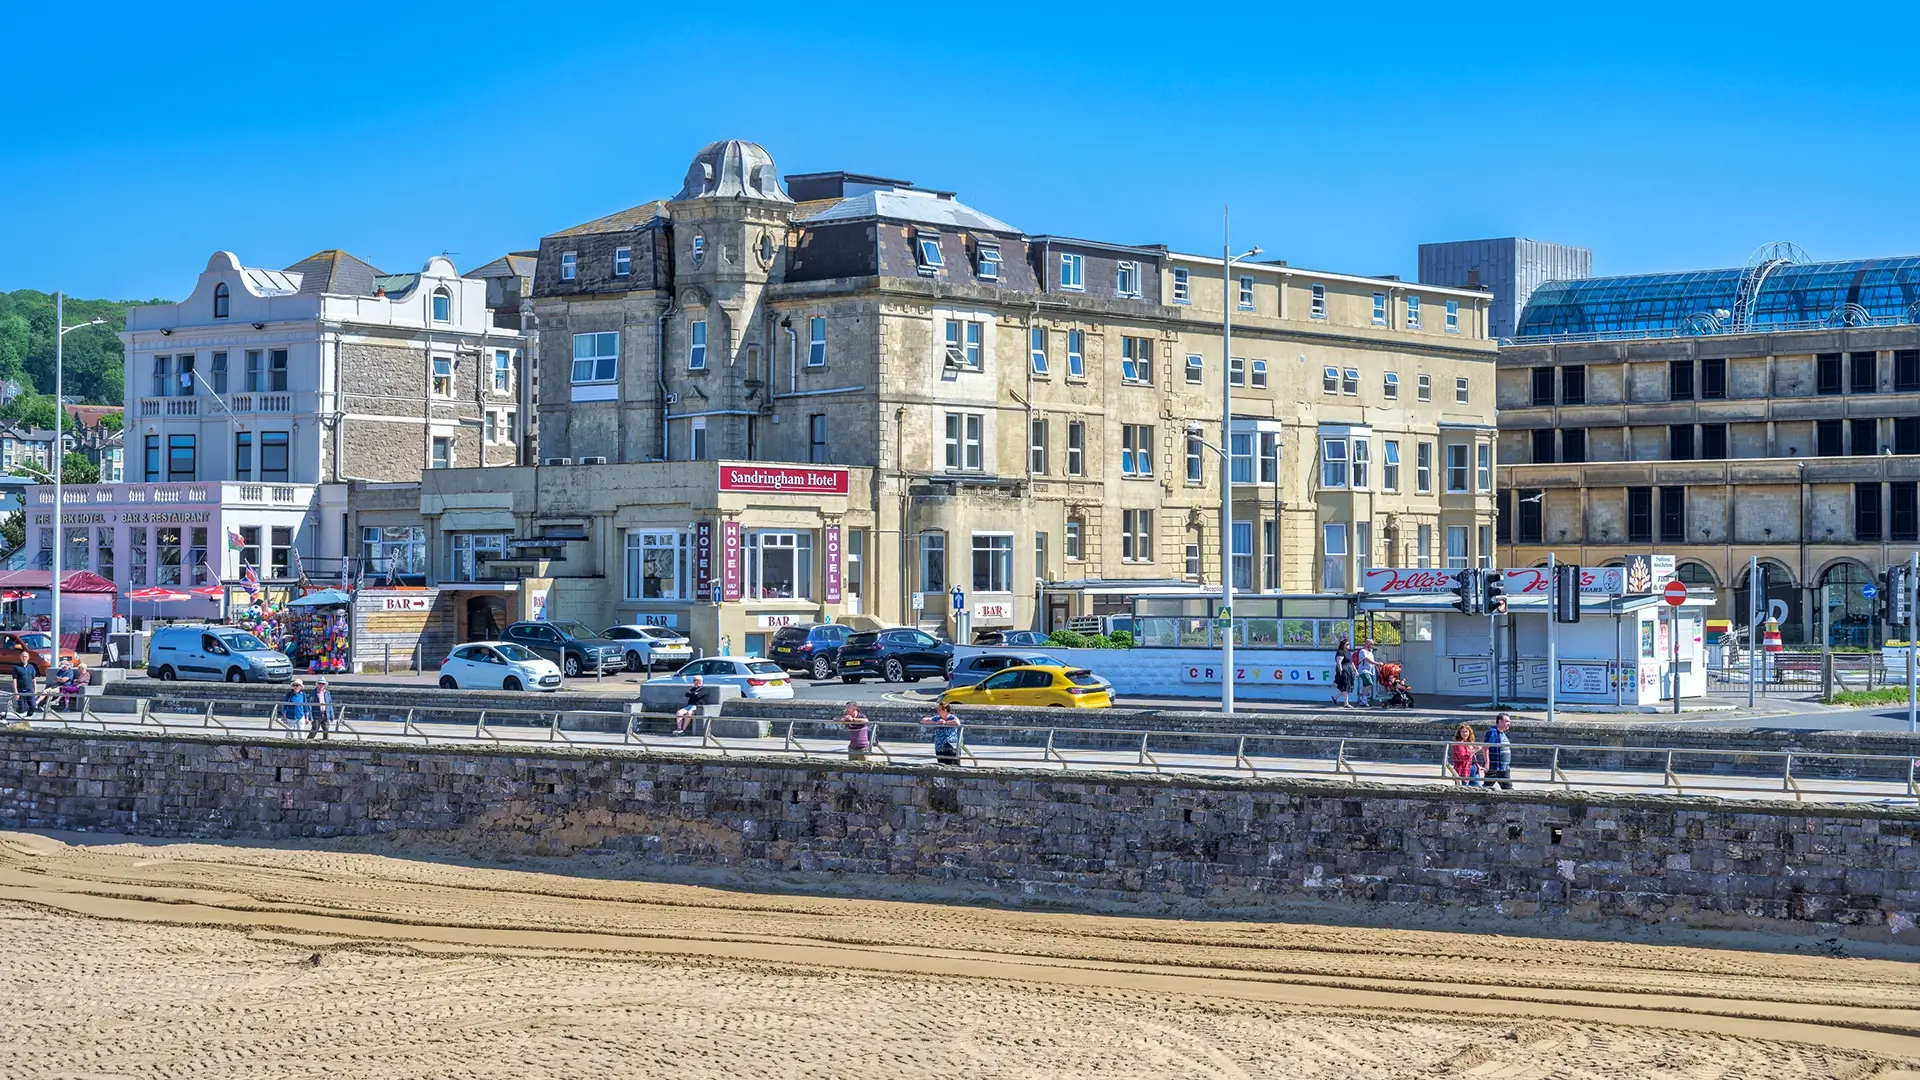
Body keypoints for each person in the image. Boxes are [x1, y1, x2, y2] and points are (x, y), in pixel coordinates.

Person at [921, 700, 962, 766]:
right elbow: (923, 720)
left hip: (951, 746)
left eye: (939, 710)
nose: (938, 711)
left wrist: (945, 723)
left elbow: (957, 722)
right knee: (942, 766)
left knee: (953, 765)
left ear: (945, 710)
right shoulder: (937, 718)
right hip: (940, 747)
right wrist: (936, 723)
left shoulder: (952, 717)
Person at [1483, 712, 1514, 790]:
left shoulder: (1502, 733)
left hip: (1504, 768)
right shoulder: (1493, 732)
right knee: (1487, 788)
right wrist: (1487, 763)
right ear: (1500, 721)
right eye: (1507, 721)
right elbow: (1486, 747)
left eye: (1509, 721)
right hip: (1494, 767)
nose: (1509, 723)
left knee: (1508, 789)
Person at [1331, 636, 1355, 707]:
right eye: (1347, 644)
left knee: (1346, 687)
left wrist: (1355, 670)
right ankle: (1346, 703)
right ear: (1343, 645)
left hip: (1349, 670)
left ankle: (1335, 698)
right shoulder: (1340, 652)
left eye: (1349, 644)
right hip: (1344, 671)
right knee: (1345, 686)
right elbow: (1339, 663)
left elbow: (1351, 662)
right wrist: (1341, 671)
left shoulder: (1348, 652)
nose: (1348, 645)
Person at [1355, 638, 1378, 707]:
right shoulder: (1363, 651)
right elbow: (1367, 659)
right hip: (1363, 671)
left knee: (1366, 685)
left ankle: (1363, 699)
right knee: (1369, 684)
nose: (1373, 646)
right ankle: (1363, 699)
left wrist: (1376, 666)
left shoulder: (1370, 652)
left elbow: (1372, 662)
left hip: (1370, 671)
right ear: (1367, 644)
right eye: (1371, 644)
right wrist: (1377, 663)